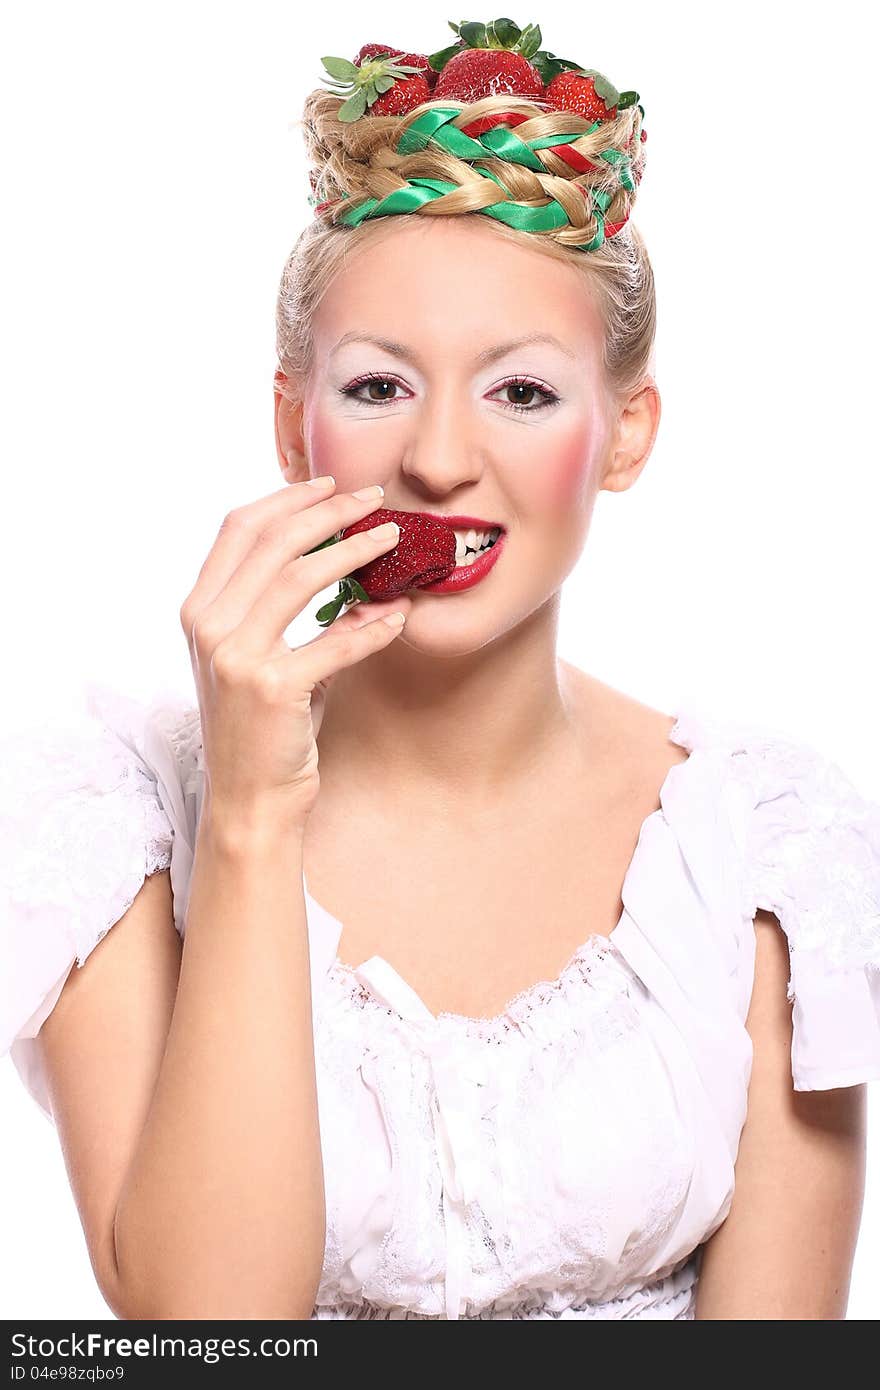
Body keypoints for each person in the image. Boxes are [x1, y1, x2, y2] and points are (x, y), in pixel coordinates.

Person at [2, 18, 879, 1322]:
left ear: (625, 430)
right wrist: (247, 809)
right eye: (378, 388)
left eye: (521, 392)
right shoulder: (107, 823)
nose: (440, 462)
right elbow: (208, 1341)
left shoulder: (768, 844)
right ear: (293, 424)